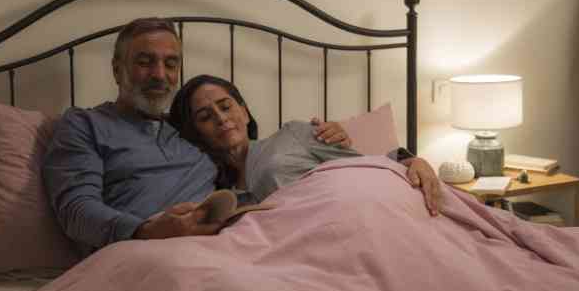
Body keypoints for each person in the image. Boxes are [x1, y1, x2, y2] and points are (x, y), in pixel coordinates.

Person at [42, 17, 351, 256]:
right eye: (144, 62)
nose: (159, 74)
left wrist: (323, 138)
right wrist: (147, 231)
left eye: (170, 63)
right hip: (138, 255)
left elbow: (253, 156)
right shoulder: (84, 124)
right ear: (117, 70)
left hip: (224, 252)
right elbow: (76, 210)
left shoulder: (191, 134)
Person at [168, 75, 442, 215]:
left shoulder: (293, 133)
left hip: (346, 216)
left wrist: (412, 161)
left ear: (244, 109)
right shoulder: (209, 187)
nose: (220, 118)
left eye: (226, 106)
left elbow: (363, 164)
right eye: (205, 116)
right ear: (197, 134)